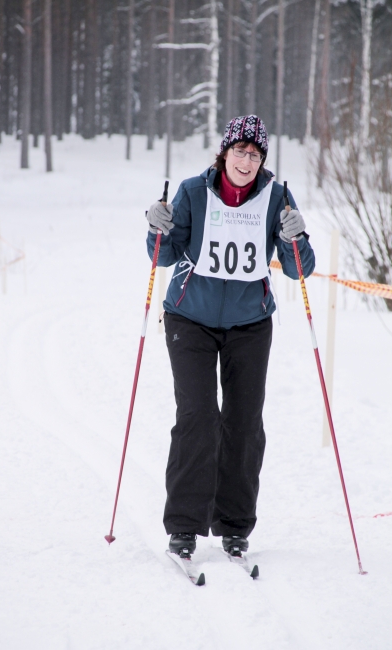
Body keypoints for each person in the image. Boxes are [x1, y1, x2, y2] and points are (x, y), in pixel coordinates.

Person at [146, 115, 315, 559]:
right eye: (239, 152)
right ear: (224, 153)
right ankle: (183, 525)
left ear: (262, 161)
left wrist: (296, 235)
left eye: (255, 155)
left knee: (243, 423)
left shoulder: (276, 196)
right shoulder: (193, 191)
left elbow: (299, 268)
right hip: (190, 319)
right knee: (198, 418)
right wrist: (157, 224)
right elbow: (162, 254)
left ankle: (235, 525)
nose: (246, 161)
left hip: (250, 324)